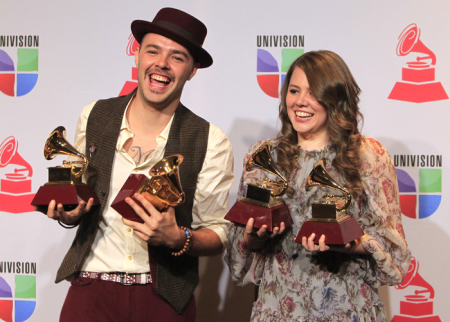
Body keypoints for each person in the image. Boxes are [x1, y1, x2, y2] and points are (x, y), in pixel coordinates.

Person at [43, 7, 233, 322]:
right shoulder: (95, 117)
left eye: (177, 57)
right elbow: (80, 192)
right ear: (138, 55)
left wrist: (178, 239)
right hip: (92, 290)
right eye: (153, 51)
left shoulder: (211, 140)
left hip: (164, 300)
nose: (162, 63)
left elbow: (218, 232)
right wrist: (70, 212)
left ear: (192, 70)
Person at [225, 50, 410, 321]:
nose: (300, 101)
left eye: (313, 93)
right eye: (294, 90)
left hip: (347, 310)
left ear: (335, 97)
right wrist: (253, 238)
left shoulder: (368, 155)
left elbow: (394, 251)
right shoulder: (263, 155)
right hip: (278, 309)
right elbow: (236, 257)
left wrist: (350, 243)